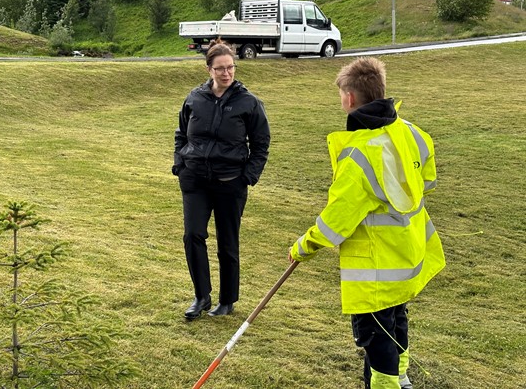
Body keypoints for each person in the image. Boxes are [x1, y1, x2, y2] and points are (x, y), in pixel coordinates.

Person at [288, 57, 445, 389]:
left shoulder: (358, 156)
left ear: (349, 99)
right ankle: (401, 377)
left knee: (376, 336)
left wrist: (304, 246)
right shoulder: (412, 132)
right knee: (396, 320)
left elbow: (335, 222)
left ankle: (388, 383)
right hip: (408, 254)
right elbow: (426, 180)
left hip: (376, 266)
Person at [173, 39, 270, 320]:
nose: (226, 73)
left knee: (227, 243)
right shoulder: (194, 98)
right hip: (195, 181)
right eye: (220, 69)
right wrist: (180, 163)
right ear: (208, 70)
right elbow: (181, 134)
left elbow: (261, 144)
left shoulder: (249, 103)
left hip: (230, 182)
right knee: (193, 235)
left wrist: (248, 177)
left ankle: (227, 300)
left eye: (230, 67)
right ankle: (201, 296)